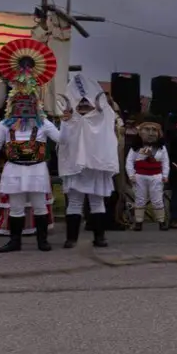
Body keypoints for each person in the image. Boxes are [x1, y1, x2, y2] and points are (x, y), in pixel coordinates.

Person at [0, 40, 61, 253]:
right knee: (15, 207)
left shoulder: (44, 123)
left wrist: (71, 122)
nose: (24, 104)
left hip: (36, 169)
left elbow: (62, 139)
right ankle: (14, 241)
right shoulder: (4, 125)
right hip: (13, 168)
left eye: (28, 100)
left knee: (39, 205)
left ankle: (42, 241)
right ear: (12, 103)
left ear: (36, 103)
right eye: (19, 100)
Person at [57, 73, 120, 248]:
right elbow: (62, 139)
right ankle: (71, 238)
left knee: (97, 201)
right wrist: (68, 122)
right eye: (81, 104)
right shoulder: (69, 118)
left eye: (87, 103)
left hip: (96, 165)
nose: (84, 107)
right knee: (75, 201)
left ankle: (99, 237)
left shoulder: (104, 116)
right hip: (75, 166)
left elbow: (106, 126)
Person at [125, 117, 170, 232]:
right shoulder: (136, 148)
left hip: (156, 176)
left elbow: (165, 162)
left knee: (157, 199)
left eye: (153, 130)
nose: (150, 133)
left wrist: (165, 175)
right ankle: (139, 222)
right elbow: (129, 161)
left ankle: (161, 221)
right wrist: (131, 174)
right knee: (140, 199)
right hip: (140, 176)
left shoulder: (161, 148)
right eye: (147, 130)